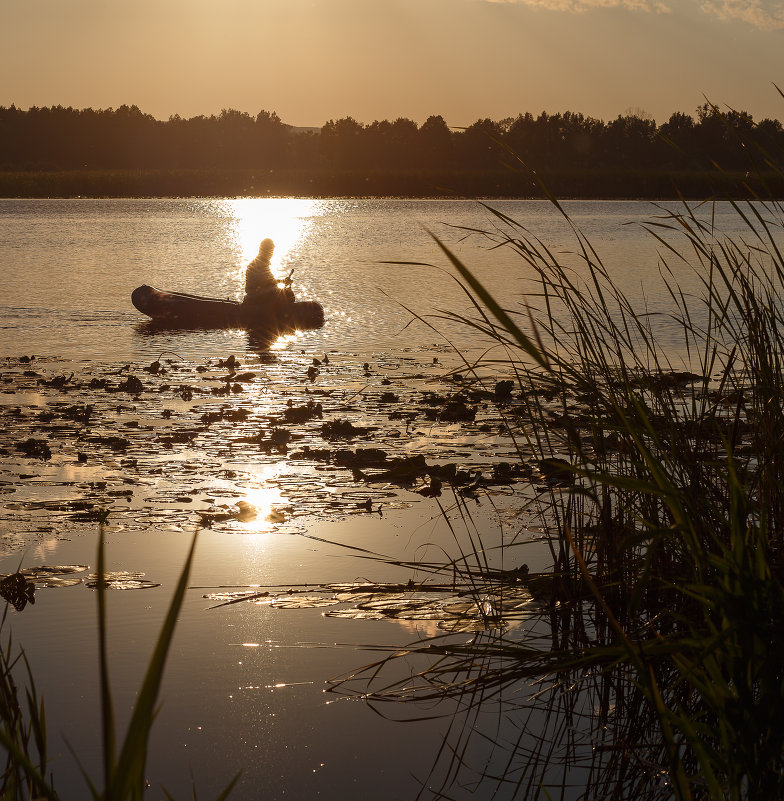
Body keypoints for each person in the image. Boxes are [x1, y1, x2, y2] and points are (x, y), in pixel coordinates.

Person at [242, 238, 294, 307]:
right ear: (263, 250)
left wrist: (283, 281)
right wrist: (282, 283)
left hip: (259, 296)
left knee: (286, 294)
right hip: (256, 299)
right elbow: (267, 283)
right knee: (288, 294)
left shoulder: (261, 263)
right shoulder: (259, 265)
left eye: (272, 252)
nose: (271, 254)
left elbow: (269, 282)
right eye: (270, 251)